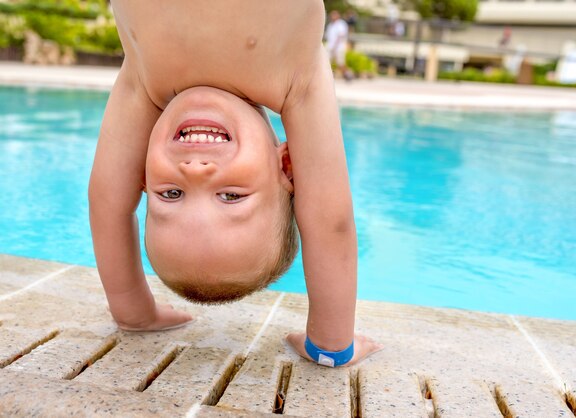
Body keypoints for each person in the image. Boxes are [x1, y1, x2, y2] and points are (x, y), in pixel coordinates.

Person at [88, 0, 381, 367]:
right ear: (288, 167)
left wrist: (133, 309)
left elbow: (107, 201)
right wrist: (331, 345)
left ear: (142, 177)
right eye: (230, 196)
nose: (196, 170)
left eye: (172, 194)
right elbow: (329, 220)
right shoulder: (294, 79)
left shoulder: (145, 82)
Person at [325, 10, 352, 80]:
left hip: (338, 47)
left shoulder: (341, 24)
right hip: (330, 46)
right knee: (327, 62)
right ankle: (328, 76)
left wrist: (335, 46)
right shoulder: (331, 25)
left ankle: (347, 75)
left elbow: (340, 36)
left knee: (340, 63)